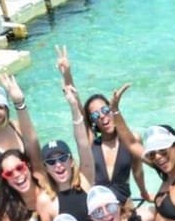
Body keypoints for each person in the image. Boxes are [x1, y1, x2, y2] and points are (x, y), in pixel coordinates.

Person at [55, 45, 148, 203]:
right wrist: (67, 74)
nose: (103, 117)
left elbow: (138, 171)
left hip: (124, 205)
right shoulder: (92, 142)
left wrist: (144, 192)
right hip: (97, 207)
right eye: (96, 115)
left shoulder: (132, 139)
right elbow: (77, 108)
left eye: (105, 110)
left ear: (112, 109)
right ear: (92, 121)